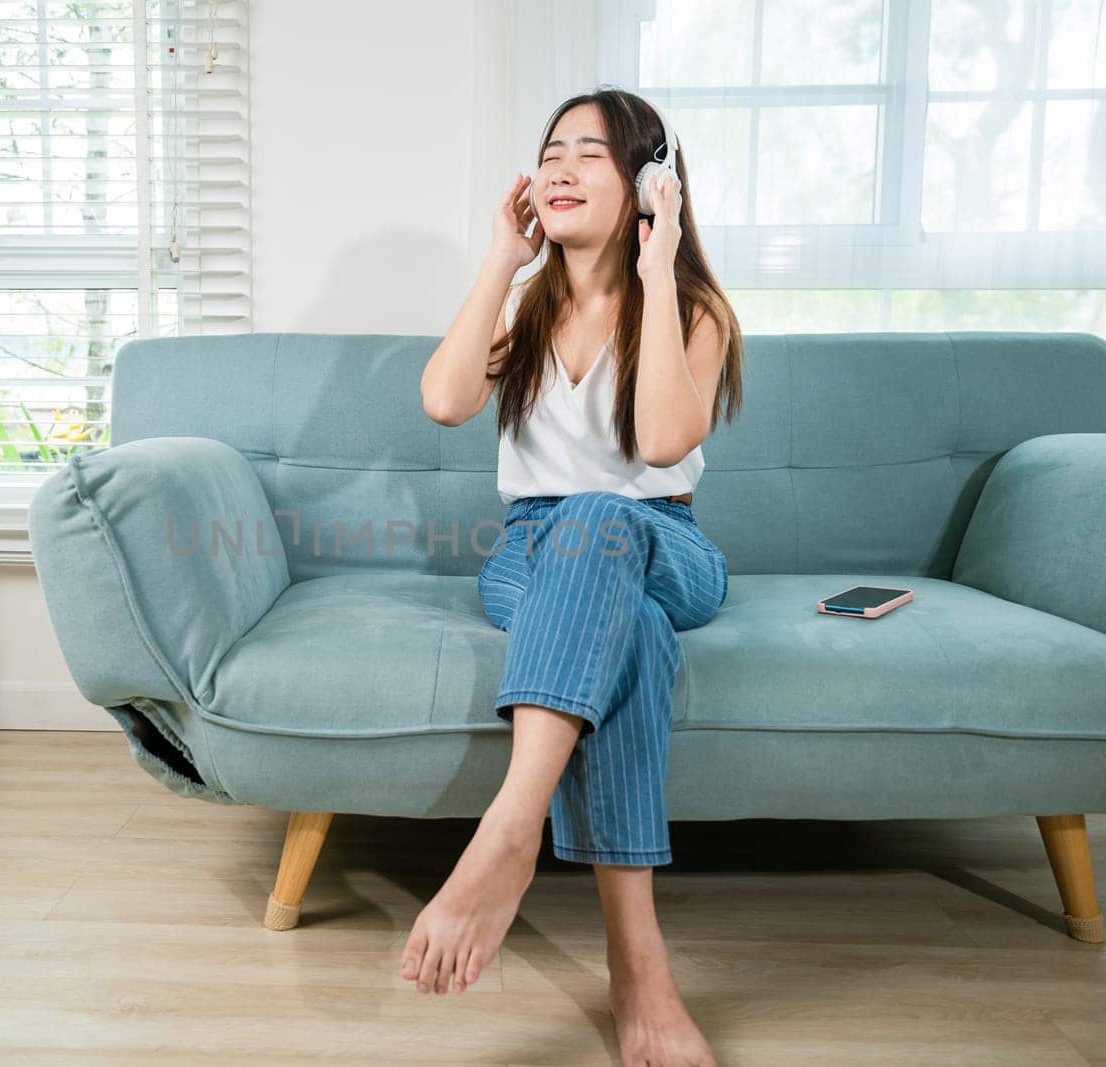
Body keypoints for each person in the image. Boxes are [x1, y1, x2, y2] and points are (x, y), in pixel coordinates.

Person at [410, 87, 744, 1067]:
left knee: (604, 510)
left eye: (589, 154)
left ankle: (509, 830)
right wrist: (498, 261)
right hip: (535, 550)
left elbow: (659, 440)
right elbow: (441, 400)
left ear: (649, 180)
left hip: (661, 535)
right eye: (550, 150)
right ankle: (640, 970)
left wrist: (650, 267)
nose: (557, 168)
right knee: (628, 631)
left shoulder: (692, 309)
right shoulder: (522, 306)